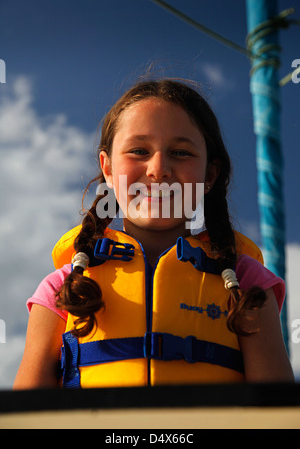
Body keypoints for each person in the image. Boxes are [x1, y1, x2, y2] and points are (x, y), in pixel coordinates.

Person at [14, 79, 294, 389]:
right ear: (107, 169)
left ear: (210, 174)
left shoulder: (247, 284)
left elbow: (277, 415)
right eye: (138, 150)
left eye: (180, 152)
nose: (159, 169)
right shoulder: (61, 288)